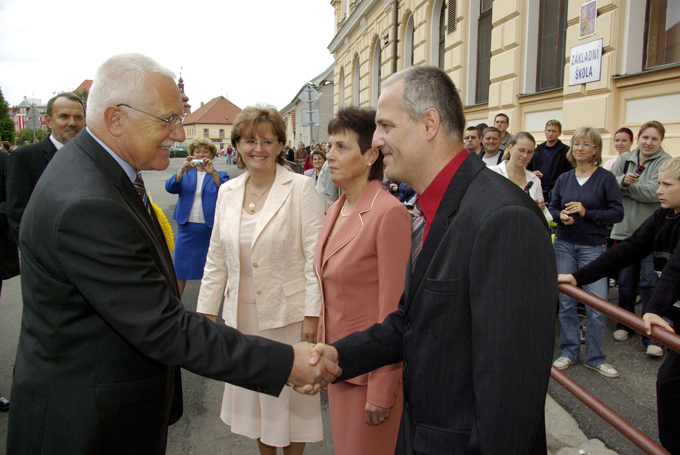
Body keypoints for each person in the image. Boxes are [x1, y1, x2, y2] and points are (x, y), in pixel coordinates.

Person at [6, 53, 340, 455]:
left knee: (287, 422)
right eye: (168, 119)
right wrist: (285, 362)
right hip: (86, 426)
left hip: (107, 409)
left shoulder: (98, 176)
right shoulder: (89, 200)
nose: (180, 134)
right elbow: (163, 323)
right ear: (116, 118)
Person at [302, 66, 557, 454]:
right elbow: (409, 322)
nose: (377, 139)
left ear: (429, 124)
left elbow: (510, 398)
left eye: (386, 125)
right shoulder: (432, 206)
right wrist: (338, 355)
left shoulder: (505, 218)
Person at [196, 105, 325, 455]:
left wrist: (313, 316)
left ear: (281, 145)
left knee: (289, 402)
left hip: (289, 317)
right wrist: (205, 313)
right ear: (237, 144)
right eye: (250, 140)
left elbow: (316, 259)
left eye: (268, 141)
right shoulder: (228, 192)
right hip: (243, 317)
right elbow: (216, 258)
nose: (259, 148)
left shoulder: (300, 188)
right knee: (256, 402)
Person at [558, 156, 680, 454]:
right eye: (660, 182)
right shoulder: (663, 217)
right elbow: (630, 249)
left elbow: (678, 267)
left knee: (669, 383)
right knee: (669, 384)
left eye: (667, 184)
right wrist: (578, 277)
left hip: (672, 312)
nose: (658, 190)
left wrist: (654, 308)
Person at [316, 107, 410, 455]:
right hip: (341, 366)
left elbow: (394, 312)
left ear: (371, 155)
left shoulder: (389, 213)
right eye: (330, 146)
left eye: (342, 146)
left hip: (370, 374)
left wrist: (382, 389)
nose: (330, 155)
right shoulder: (334, 210)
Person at [549, 127, 624, 378]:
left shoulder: (605, 178)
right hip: (565, 244)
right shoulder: (564, 178)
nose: (580, 147)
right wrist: (560, 216)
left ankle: (595, 357)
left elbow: (616, 213)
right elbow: (553, 207)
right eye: (576, 143)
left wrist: (585, 213)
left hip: (593, 247)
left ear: (596, 150)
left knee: (597, 304)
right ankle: (570, 351)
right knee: (567, 301)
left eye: (586, 144)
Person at [608, 121, 671, 356]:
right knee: (626, 282)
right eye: (645, 137)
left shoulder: (666, 162)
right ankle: (625, 323)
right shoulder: (625, 158)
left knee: (650, 284)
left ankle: (652, 335)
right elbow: (609, 183)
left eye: (654, 138)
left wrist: (626, 188)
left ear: (660, 141)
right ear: (639, 138)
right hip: (624, 230)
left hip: (653, 234)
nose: (649, 142)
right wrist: (622, 182)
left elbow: (653, 191)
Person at [6, 92, 86, 244]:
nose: (72, 123)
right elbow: (18, 215)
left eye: (78, 117)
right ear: (48, 121)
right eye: (64, 116)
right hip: (46, 257)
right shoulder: (25, 157)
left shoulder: (93, 157)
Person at [165, 137, 229, 297]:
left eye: (205, 151)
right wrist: (181, 172)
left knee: (209, 274)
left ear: (211, 154)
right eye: (197, 151)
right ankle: (175, 308)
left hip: (209, 231)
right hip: (186, 230)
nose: (201, 154)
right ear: (192, 154)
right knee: (180, 271)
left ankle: (205, 311)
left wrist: (212, 173)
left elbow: (227, 193)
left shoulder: (219, 174)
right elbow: (170, 188)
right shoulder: (185, 173)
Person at [489, 131, 551, 222]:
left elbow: (542, 214)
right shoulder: (492, 173)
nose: (525, 156)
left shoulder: (535, 180)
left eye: (529, 152)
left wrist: (540, 208)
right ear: (510, 148)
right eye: (521, 150)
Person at [527, 119, 572, 203]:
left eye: (554, 131)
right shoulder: (537, 150)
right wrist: (532, 173)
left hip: (556, 193)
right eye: (549, 130)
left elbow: (570, 173)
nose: (551, 134)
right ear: (545, 131)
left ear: (559, 133)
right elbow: (527, 169)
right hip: (537, 190)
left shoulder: (566, 151)